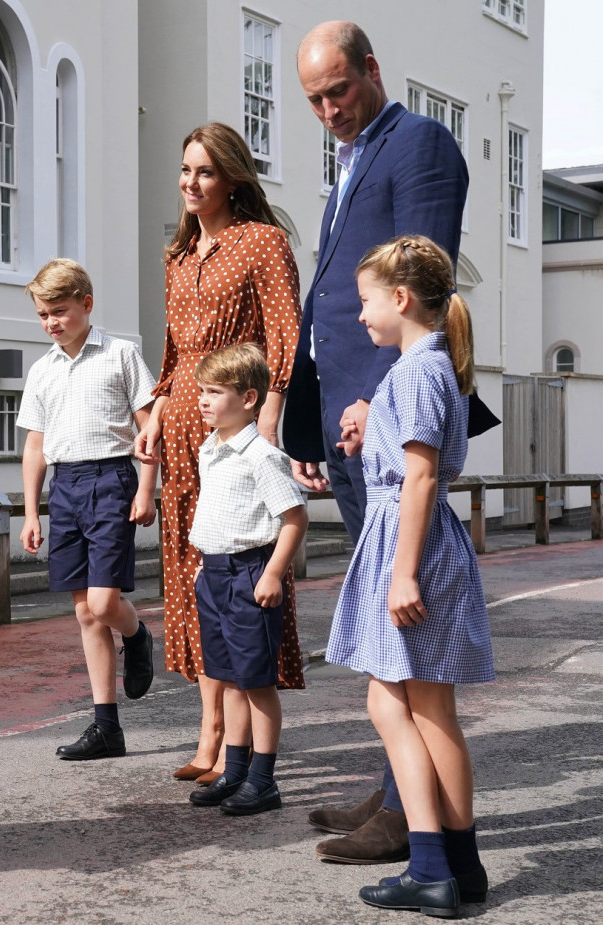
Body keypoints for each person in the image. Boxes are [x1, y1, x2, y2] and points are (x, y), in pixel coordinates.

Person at [282, 20, 494, 865]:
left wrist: (374, 397)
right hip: (343, 410)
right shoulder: (345, 159)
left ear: (372, 70)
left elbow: (418, 277)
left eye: (339, 89)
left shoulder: (421, 144)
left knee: (399, 629)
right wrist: (306, 417)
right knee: (380, 630)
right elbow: (331, 299)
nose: (328, 109)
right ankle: (394, 789)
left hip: (382, 410)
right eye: (314, 99)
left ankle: (415, 822)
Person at [134, 123, 304, 784]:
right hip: (179, 430)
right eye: (185, 170)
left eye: (205, 171)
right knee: (191, 580)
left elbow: (284, 338)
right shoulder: (178, 255)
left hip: (235, 430)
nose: (191, 183)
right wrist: (151, 418)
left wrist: (267, 424)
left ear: (232, 177)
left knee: (242, 567)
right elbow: (174, 356)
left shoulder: (262, 243)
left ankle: (240, 744)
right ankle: (209, 730)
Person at [330, 235, 494, 915]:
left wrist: (403, 575)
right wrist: (373, 433)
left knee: (401, 705)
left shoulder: (417, 371)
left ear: (400, 299)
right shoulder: (426, 367)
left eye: (366, 300)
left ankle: (430, 865)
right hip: (413, 539)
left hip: (412, 546)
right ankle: (459, 865)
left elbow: (421, 472)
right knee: (426, 710)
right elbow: (411, 460)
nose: (360, 313)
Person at [17, 258, 157, 760]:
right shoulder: (41, 370)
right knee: (84, 613)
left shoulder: (121, 353)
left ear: (86, 304)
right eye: (43, 314)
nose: (52, 322)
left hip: (113, 479)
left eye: (60, 311)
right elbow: (35, 446)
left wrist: (146, 490)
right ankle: (106, 728)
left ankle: (137, 635)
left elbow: (147, 430)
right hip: (67, 486)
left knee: (103, 604)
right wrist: (32, 513)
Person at [184, 344, 308, 815]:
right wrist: (204, 565)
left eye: (215, 392)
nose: (203, 400)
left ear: (250, 398)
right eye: (202, 391)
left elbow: (295, 518)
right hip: (214, 574)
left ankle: (263, 779)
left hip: (251, 575)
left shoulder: (261, 455)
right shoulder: (210, 447)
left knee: (256, 682)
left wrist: (274, 572)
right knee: (227, 678)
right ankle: (233, 771)